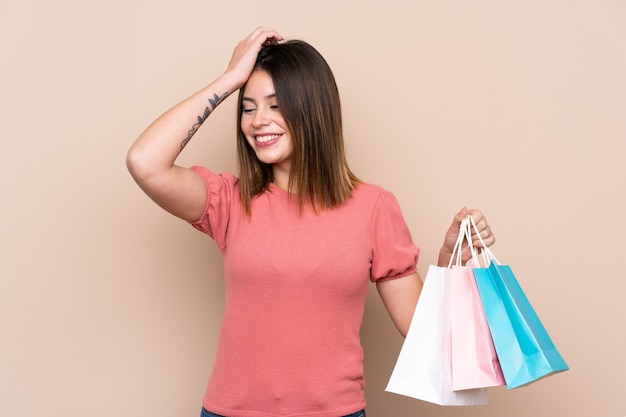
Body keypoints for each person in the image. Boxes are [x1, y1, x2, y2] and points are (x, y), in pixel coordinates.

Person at [126, 27, 495, 417]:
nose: (257, 121)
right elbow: (144, 162)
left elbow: (429, 339)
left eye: (274, 105)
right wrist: (229, 78)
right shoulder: (230, 201)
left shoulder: (373, 207)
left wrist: (451, 262)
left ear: (312, 108)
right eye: (248, 107)